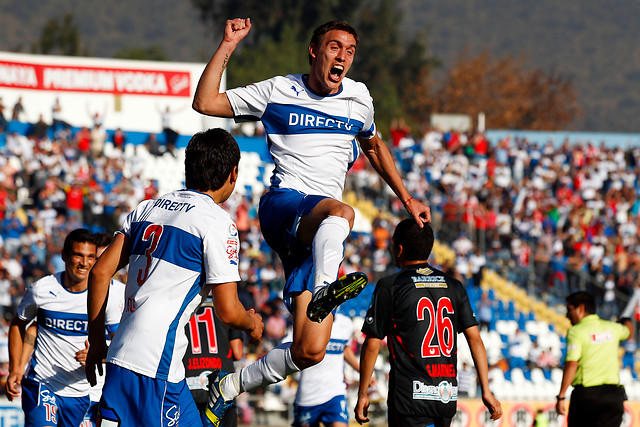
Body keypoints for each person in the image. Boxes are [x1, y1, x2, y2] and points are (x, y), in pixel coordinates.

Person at [192, 18, 430, 426]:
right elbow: (205, 102)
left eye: (350, 51)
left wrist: (406, 197)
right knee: (343, 212)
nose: (343, 56)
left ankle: (228, 387)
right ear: (314, 51)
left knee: (310, 351)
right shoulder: (278, 90)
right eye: (335, 47)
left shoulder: (359, 98)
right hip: (285, 207)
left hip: (320, 237)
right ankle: (324, 289)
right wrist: (228, 44)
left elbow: (373, 145)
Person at [85, 128, 263, 426]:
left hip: (119, 357)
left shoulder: (146, 208)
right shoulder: (217, 223)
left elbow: (100, 272)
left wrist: (96, 341)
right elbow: (229, 312)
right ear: (233, 173)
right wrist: (252, 324)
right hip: (156, 364)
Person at [354, 220, 502, 427]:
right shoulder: (454, 286)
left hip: (409, 397)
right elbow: (475, 338)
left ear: (399, 249)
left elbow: (372, 344)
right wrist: (486, 390)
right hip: (445, 396)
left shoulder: (390, 286)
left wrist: (362, 393)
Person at [6, 229, 120, 427]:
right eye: (78, 255)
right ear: (65, 256)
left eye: (90, 257)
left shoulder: (107, 295)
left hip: (84, 392)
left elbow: (121, 343)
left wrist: (98, 353)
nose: (84, 263)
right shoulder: (42, 289)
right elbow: (20, 324)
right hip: (42, 384)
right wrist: (16, 368)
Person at [555, 291, 632, 427]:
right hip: (612, 396)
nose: (567, 315)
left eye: (569, 310)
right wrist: (626, 320)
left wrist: (561, 396)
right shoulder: (613, 328)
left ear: (581, 308)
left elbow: (572, 364)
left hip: (587, 397)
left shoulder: (576, 331)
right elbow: (628, 330)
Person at [292, 311, 360, 427]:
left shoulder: (346, 323)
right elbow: (290, 349)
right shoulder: (306, 321)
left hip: (335, 392)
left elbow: (345, 349)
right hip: (308, 395)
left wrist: (362, 371)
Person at [183, 298, 244, 427]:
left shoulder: (181, 302)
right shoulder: (227, 304)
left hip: (188, 385)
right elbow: (238, 352)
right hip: (222, 386)